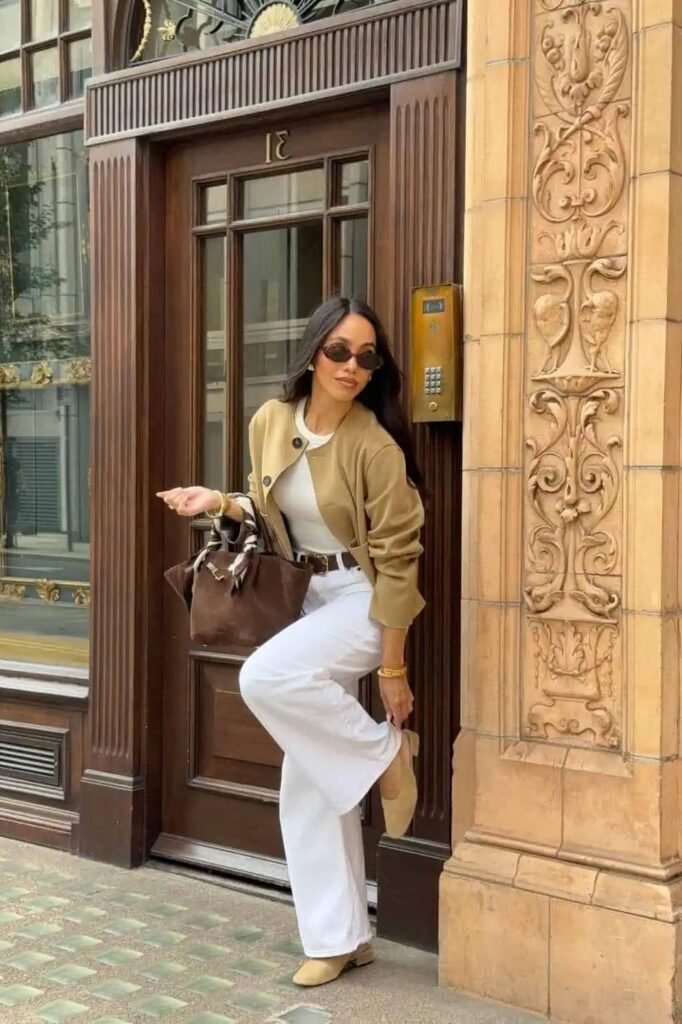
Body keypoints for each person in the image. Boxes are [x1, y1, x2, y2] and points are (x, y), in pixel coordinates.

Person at [158, 296, 425, 988]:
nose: (353, 367)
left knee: (265, 679)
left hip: (366, 600)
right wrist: (215, 503)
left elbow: (400, 564)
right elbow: (269, 514)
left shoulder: (374, 445)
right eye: (339, 350)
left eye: (367, 356)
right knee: (306, 783)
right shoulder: (271, 421)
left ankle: (385, 751)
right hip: (309, 596)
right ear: (312, 352)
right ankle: (341, 938)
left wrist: (392, 667)